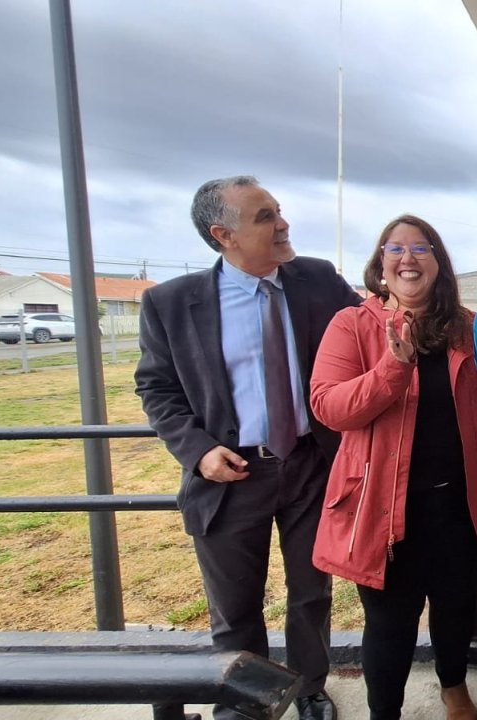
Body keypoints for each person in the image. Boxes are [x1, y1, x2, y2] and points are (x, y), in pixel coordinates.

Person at [135, 176, 362, 720]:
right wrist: (198, 451)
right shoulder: (170, 303)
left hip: (310, 465)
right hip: (230, 474)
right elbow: (156, 388)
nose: (283, 224)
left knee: (311, 594)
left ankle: (309, 689)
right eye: (265, 217)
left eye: (278, 211)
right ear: (223, 235)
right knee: (235, 604)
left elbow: (371, 329)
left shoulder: (318, 279)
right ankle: (243, 701)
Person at [308, 214, 477, 720]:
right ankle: (385, 713)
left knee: (457, 605)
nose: (407, 258)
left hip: (459, 501)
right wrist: (392, 368)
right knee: (390, 622)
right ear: (381, 264)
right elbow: (330, 407)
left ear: (438, 263)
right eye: (394, 249)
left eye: (420, 248)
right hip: (382, 507)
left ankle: (454, 687)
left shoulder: (466, 327)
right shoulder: (352, 325)